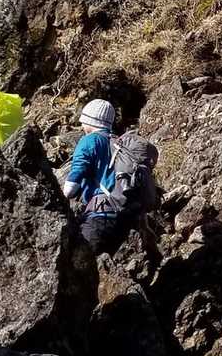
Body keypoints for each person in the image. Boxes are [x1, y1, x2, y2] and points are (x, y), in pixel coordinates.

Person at [62, 99, 158, 255]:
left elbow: (70, 189)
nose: (81, 126)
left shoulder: (89, 140)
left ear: (89, 121)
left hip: (100, 215)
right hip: (124, 220)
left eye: (83, 121)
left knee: (81, 264)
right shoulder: (118, 143)